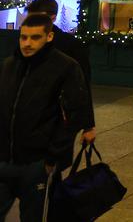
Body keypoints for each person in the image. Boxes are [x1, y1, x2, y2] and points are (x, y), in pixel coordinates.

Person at [0, 13, 92, 221]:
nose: (27, 43)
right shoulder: (9, 65)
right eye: (24, 37)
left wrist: (52, 157)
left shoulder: (65, 67)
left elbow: (74, 113)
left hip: (37, 162)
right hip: (4, 158)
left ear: (49, 37)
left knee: (33, 216)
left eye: (35, 38)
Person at [24, 0, 95, 133]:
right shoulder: (25, 42)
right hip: (28, 116)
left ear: (53, 18)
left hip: (60, 119)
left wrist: (88, 126)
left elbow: (83, 85)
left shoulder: (71, 46)